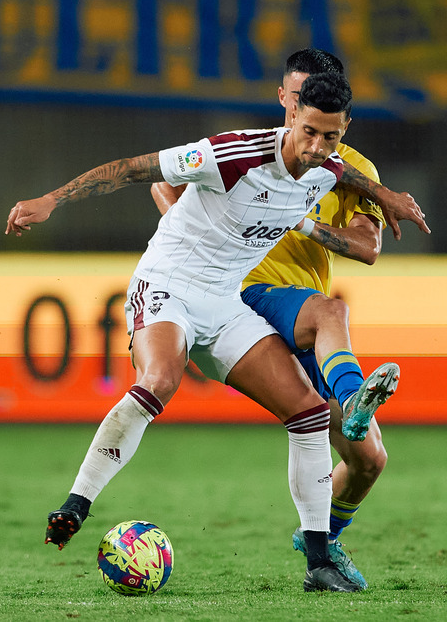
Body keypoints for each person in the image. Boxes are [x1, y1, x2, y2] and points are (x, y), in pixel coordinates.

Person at [6, 72, 429, 591]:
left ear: (343, 131)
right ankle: (77, 502)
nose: (317, 149)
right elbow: (136, 169)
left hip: (224, 305)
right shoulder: (231, 154)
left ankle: (319, 560)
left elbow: (347, 176)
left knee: (309, 413)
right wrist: (52, 200)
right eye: (310, 133)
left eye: (331, 137)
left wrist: (389, 196)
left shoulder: (329, 167)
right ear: (291, 115)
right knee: (161, 378)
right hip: (166, 286)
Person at [151, 48, 398, 589]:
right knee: (333, 312)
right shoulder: (250, 154)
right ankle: (353, 401)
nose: (295, 105)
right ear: (285, 100)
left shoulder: (352, 172)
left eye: (307, 97)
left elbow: (367, 246)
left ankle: (323, 539)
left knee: (369, 461)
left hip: (305, 316)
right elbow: (163, 183)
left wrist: (302, 224)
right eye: (290, 96)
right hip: (249, 297)